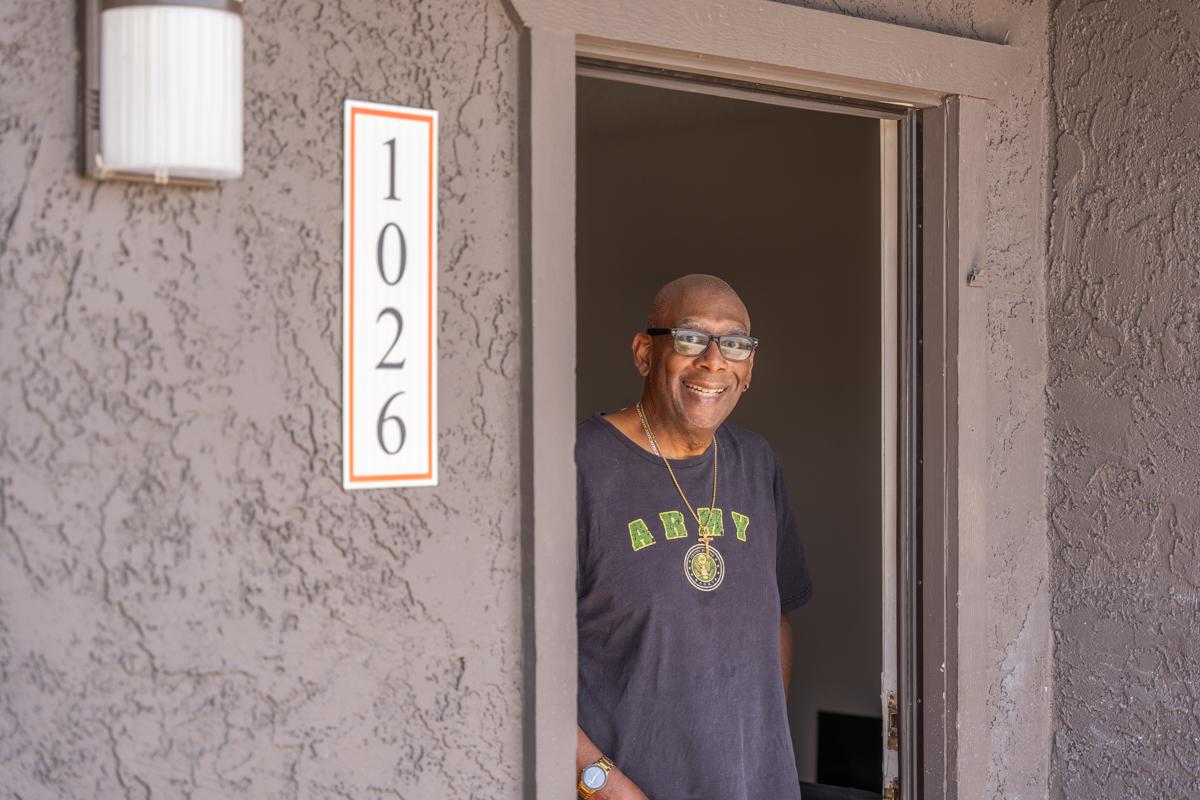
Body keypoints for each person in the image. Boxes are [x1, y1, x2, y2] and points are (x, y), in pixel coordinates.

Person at [575, 274, 813, 799]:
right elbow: (524, 657)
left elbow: (775, 617)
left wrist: (763, 754)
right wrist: (601, 785)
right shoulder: (580, 466)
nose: (712, 360)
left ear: (749, 368)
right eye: (689, 337)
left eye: (734, 343)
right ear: (644, 353)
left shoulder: (756, 464)